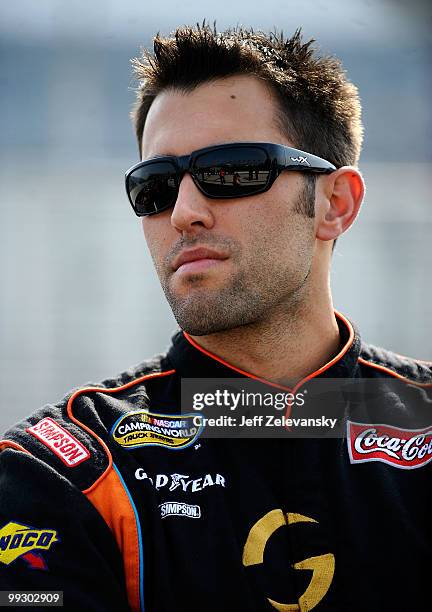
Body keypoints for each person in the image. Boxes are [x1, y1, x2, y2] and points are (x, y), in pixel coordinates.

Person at [0, 23, 431, 612]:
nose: (184, 213)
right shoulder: (61, 471)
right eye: (155, 186)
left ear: (335, 204)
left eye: (230, 171)